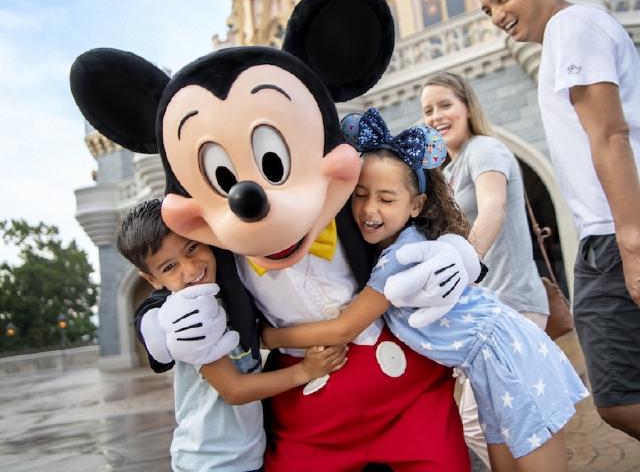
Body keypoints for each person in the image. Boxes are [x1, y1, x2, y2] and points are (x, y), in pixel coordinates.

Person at [262, 108, 588, 472]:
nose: (369, 209)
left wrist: (269, 336)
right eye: (359, 194)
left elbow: (344, 328)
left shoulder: (401, 255)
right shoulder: (389, 247)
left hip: (509, 360)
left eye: (386, 199)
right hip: (486, 369)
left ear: (416, 205)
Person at [468, 0, 640, 440]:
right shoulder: (570, 35)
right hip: (605, 235)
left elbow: (610, 134)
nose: (497, 15)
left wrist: (630, 241)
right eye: (486, 9)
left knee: (619, 397)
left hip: (614, 235)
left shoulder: (571, 27)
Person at [116, 198, 348, 472]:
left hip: (242, 452)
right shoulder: (188, 319)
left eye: (192, 248)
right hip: (211, 460)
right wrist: (306, 371)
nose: (190, 269)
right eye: (169, 267)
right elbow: (234, 390)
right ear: (152, 279)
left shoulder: (222, 297)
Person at [421, 71, 549, 466]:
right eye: (427, 110)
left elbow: (492, 207)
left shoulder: (484, 149)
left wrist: (462, 266)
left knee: (485, 424)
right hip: (486, 315)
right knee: (495, 427)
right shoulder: (451, 167)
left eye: (445, 105)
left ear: (466, 106)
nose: (436, 116)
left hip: (511, 304)